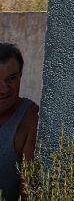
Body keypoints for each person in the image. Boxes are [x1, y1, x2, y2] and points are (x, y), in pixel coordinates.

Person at [0, 43, 36, 201]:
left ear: (21, 76)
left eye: (11, 78)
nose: (3, 89)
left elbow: (27, 192)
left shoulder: (28, 117)